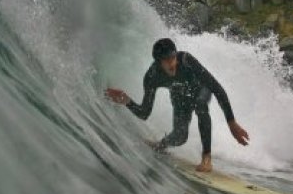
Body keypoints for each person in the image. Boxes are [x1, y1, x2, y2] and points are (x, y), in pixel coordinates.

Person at [105, 38, 249, 172]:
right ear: (158, 62)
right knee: (180, 137)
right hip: (180, 96)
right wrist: (127, 101)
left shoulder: (186, 60)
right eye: (167, 60)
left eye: (173, 57)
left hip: (201, 91)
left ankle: (206, 158)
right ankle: (160, 145)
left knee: (200, 105)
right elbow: (144, 113)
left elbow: (216, 88)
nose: (172, 63)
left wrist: (232, 123)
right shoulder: (152, 76)